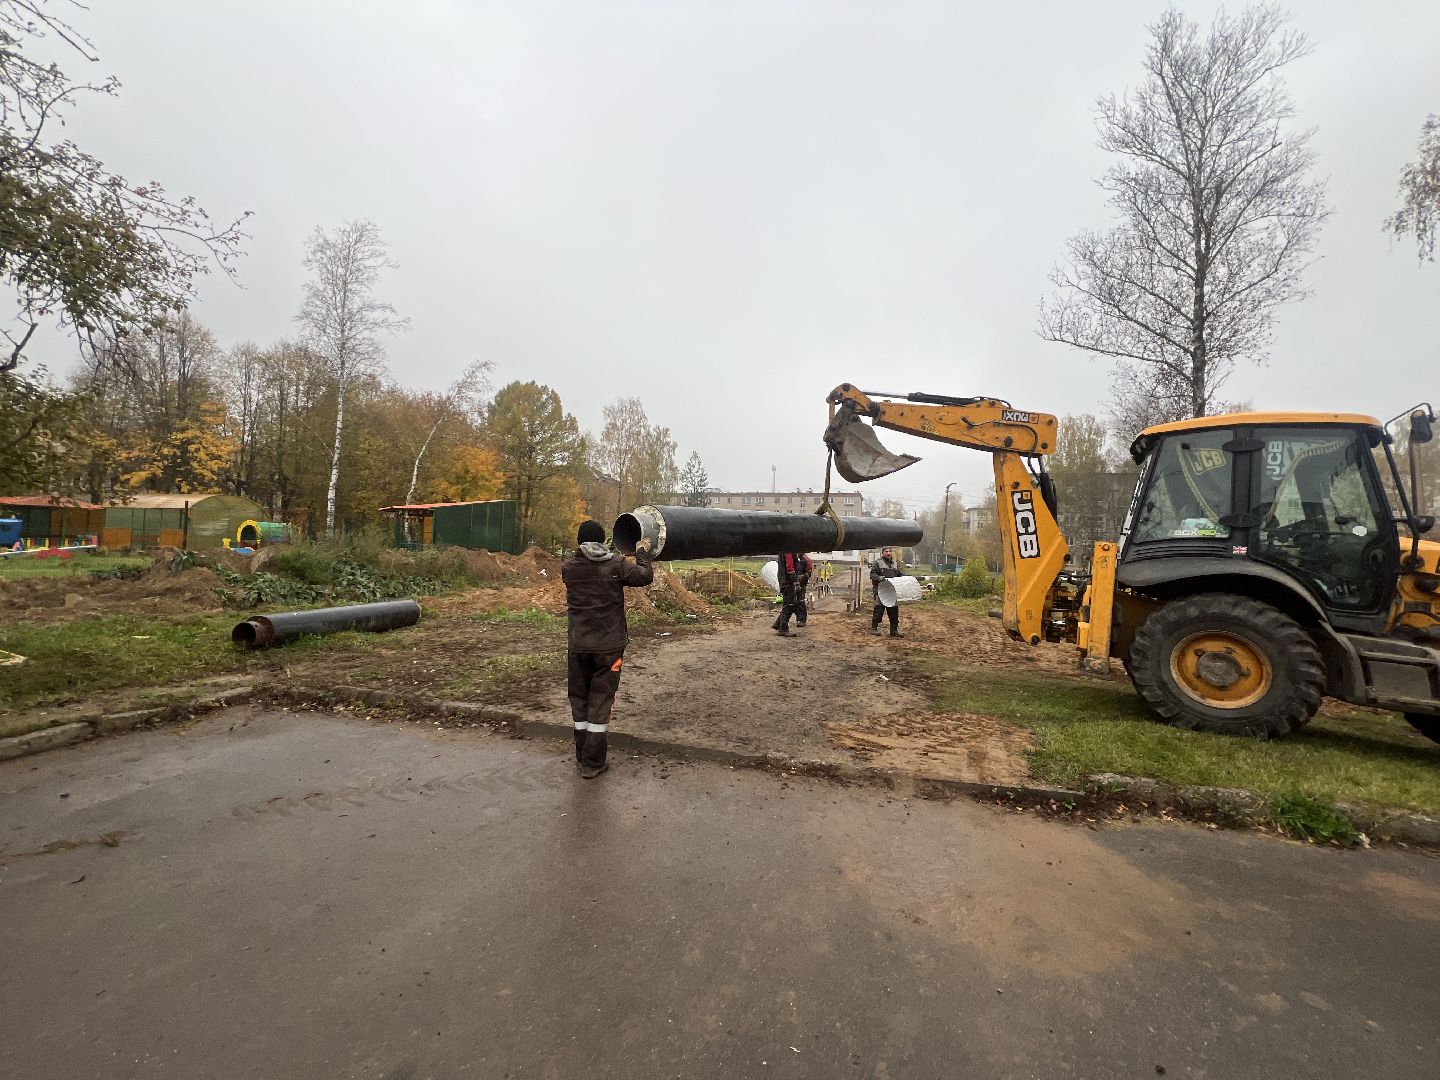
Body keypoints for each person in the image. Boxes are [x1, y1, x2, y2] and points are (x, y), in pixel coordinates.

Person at [561, 520, 655, 778]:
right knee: (601, 700)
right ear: (603, 541)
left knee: (579, 698)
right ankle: (593, 763)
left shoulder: (568, 568)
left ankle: (582, 755)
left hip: (579, 646)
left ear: (579, 541)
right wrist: (642, 551)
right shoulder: (616, 565)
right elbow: (645, 576)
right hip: (609, 648)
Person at [771, 550, 812, 636]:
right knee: (789, 605)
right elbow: (790, 569)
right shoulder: (789, 551)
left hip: (784, 581)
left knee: (789, 604)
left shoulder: (785, 550)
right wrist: (796, 581)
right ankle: (783, 628)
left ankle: (778, 624)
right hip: (788, 582)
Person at [870, 547, 904, 637]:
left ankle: (894, 631)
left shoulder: (894, 563)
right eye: (886, 551)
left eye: (889, 551)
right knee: (878, 610)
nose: (888, 553)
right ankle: (874, 628)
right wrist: (878, 578)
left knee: (894, 611)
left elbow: (898, 574)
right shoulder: (878, 563)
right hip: (880, 591)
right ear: (883, 553)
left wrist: (907, 577)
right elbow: (872, 574)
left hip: (891, 592)